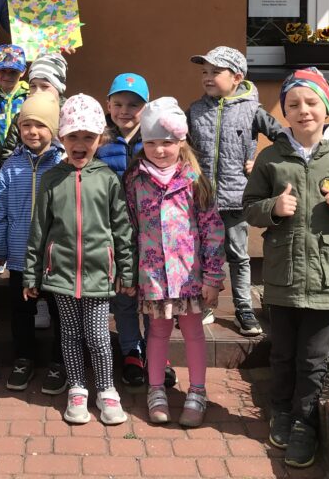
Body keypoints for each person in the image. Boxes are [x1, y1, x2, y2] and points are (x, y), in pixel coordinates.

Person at [243, 68, 329, 469]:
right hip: (283, 277)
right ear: (284, 111)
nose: (303, 110)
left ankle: (305, 424)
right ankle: (280, 411)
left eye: (311, 102)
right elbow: (250, 207)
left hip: (328, 279)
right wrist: (273, 209)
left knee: (313, 358)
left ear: (327, 107)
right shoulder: (271, 158)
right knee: (283, 353)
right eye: (293, 104)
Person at [23, 94, 135, 426]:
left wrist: (127, 271)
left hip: (99, 274)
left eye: (88, 136)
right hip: (60, 273)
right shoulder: (52, 179)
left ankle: (106, 389)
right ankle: (77, 388)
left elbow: (122, 229)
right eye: (73, 136)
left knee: (99, 336)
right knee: (70, 334)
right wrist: (32, 275)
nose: (80, 143)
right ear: (62, 138)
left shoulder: (107, 178)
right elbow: (39, 230)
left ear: (100, 139)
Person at [124, 98, 225, 428]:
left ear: (181, 142)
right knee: (156, 332)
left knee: (194, 332)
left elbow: (212, 229)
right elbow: (129, 228)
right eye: (151, 142)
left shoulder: (194, 179)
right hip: (153, 277)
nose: (159, 150)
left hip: (189, 277)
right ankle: (156, 390)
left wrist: (212, 277)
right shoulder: (136, 180)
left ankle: (197, 391)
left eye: (167, 143)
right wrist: (129, 272)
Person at [187, 46, 282, 336]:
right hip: (202, 198)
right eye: (205, 71)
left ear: (236, 77)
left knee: (238, 256)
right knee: (201, 253)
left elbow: (283, 138)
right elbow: (182, 145)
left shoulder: (253, 111)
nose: (208, 77)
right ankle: (205, 303)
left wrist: (262, 163)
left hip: (237, 197)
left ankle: (243, 310)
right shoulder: (195, 110)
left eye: (216, 72)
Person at [0, 93, 66, 394]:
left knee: (61, 313)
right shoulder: (11, 166)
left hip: (56, 257)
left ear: (53, 128)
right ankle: (24, 358)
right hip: (21, 256)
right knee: (21, 312)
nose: (32, 132)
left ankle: (60, 362)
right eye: (26, 125)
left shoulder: (63, 164)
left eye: (40, 125)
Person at [95, 73, 158, 388]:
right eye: (118, 103)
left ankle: (157, 354)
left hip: (152, 233)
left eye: (133, 104)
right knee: (124, 293)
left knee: (152, 294)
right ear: (108, 104)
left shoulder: (155, 139)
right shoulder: (100, 139)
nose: (124, 110)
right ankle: (131, 351)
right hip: (115, 231)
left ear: (146, 108)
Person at [0, 52, 67, 163]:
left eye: (45, 86)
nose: (38, 91)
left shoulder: (70, 116)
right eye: (33, 86)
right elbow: (7, 155)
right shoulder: (22, 117)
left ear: (59, 88)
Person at [0, 44, 29, 147]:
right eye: (3, 70)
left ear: (23, 71)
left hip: (23, 154)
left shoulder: (30, 97)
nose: (7, 76)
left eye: (13, 72)